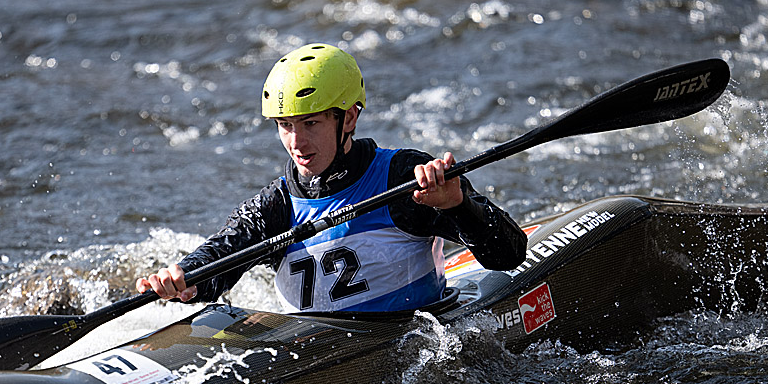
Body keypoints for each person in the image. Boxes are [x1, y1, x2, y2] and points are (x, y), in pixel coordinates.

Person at [137, 43, 527, 313]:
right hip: (316, 351)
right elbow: (222, 255)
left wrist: (458, 205)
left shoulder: (403, 178)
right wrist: (186, 279)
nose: (296, 142)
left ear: (349, 118)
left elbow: (508, 255)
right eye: (284, 125)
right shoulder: (275, 205)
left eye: (310, 123)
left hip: (406, 336)